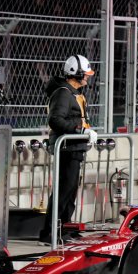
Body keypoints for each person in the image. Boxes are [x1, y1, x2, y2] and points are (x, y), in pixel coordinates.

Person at [40, 54, 97, 244]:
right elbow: (55, 120)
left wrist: (83, 132)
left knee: (70, 191)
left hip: (75, 147)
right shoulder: (64, 93)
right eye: (85, 74)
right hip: (66, 148)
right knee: (63, 191)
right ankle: (50, 233)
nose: (88, 77)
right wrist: (79, 130)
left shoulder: (74, 92)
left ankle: (65, 228)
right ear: (77, 73)